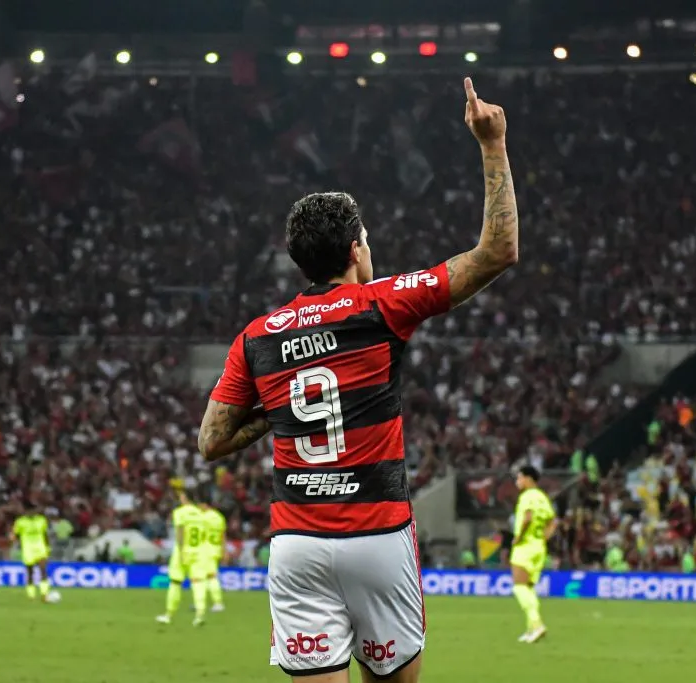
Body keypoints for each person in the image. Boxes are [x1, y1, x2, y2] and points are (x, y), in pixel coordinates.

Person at [196, 76, 517, 683]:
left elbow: (211, 440)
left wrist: (275, 411)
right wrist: (491, 142)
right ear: (354, 251)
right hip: (378, 535)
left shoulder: (258, 336)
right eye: (366, 240)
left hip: (297, 544)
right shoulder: (382, 304)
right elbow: (496, 252)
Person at [510, 465, 556, 643]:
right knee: (529, 588)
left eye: (519, 477)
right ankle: (532, 628)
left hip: (525, 546)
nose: (517, 481)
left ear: (528, 478)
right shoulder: (543, 497)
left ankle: (537, 625)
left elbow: (528, 517)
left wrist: (518, 537)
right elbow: (552, 522)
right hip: (539, 547)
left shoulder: (527, 496)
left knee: (519, 587)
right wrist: (544, 539)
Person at [156, 489, 209, 627]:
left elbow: (180, 532)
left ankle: (168, 615)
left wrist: (180, 551)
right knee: (198, 583)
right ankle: (199, 615)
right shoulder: (201, 514)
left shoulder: (179, 512)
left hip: (182, 551)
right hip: (197, 552)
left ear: (185, 498)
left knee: (175, 583)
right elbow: (203, 535)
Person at [10, 501, 52, 602]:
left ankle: (44, 594)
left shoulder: (41, 520)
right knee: (30, 572)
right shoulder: (20, 522)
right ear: (26, 511)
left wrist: (48, 547)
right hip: (28, 549)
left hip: (40, 548)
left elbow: (45, 534)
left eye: (34, 510)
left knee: (43, 570)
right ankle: (31, 595)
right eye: (30, 511)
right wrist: (14, 540)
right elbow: (15, 535)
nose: (32, 513)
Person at [200, 500, 228, 612]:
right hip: (215, 549)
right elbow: (223, 535)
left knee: (210, 576)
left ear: (205, 504)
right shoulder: (219, 517)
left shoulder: (202, 517)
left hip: (205, 549)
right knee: (205, 576)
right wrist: (224, 551)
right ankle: (201, 601)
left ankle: (218, 603)